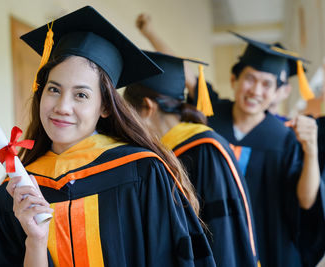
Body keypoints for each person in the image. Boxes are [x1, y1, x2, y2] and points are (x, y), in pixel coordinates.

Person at [0, 6, 216, 267]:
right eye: (54, 89)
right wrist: (35, 242)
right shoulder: (16, 194)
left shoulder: (141, 173)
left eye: (81, 95)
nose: (62, 106)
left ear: (105, 106)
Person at [136, 14, 324, 267]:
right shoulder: (211, 116)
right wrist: (150, 31)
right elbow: (186, 72)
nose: (256, 90)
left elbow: (306, 201)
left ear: (279, 92)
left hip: (269, 245)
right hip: (218, 242)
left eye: (266, 84)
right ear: (235, 79)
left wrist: (311, 150)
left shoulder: (285, 138)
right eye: (250, 78)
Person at [124, 51, 259, 267]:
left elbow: (222, 233)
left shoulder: (204, 149)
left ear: (148, 107)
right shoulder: (171, 149)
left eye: (129, 115)